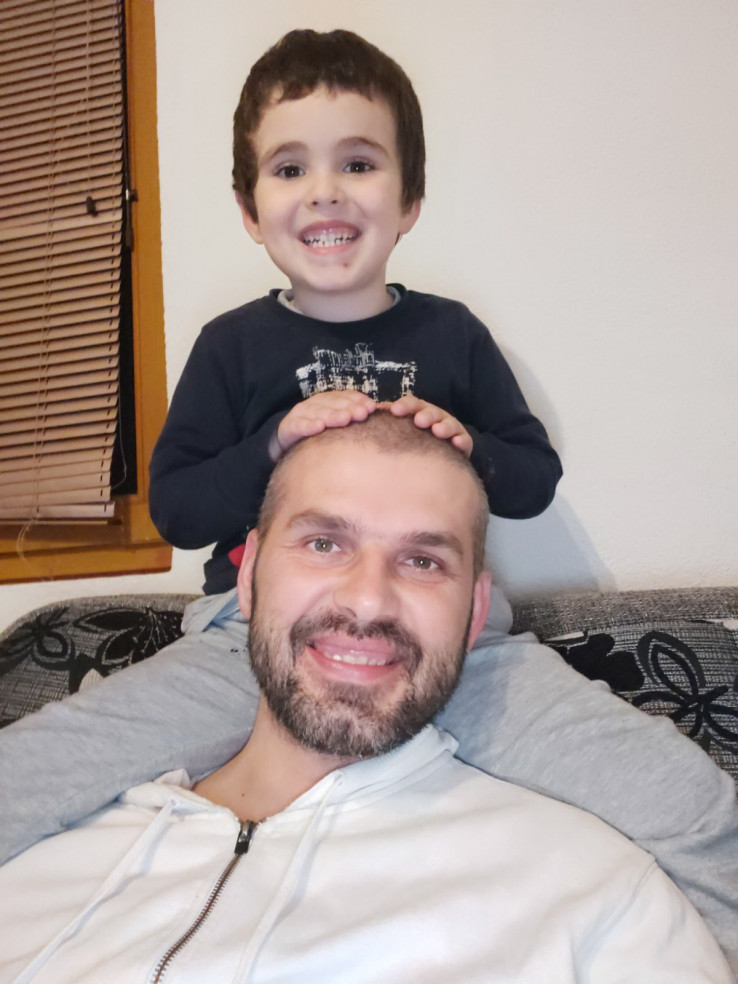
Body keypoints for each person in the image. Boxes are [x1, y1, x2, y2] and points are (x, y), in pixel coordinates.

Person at [1, 27, 737, 972]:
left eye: (358, 163)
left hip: (459, 654)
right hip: (248, 644)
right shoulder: (232, 346)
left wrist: (468, 444)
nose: (325, 192)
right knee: (30, 769)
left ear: (410, 200)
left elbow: (535, 477)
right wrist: (275, 442)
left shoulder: (454, 335)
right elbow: (178, 510)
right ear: (249, 209)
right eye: (289, 168)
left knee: (686, 800)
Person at [0, 414, 731, 984]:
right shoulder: (38, 865)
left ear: (476, 612)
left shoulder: (600, 897)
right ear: (247, 578)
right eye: (324, 543)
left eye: (423, 560)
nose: (368, 600)